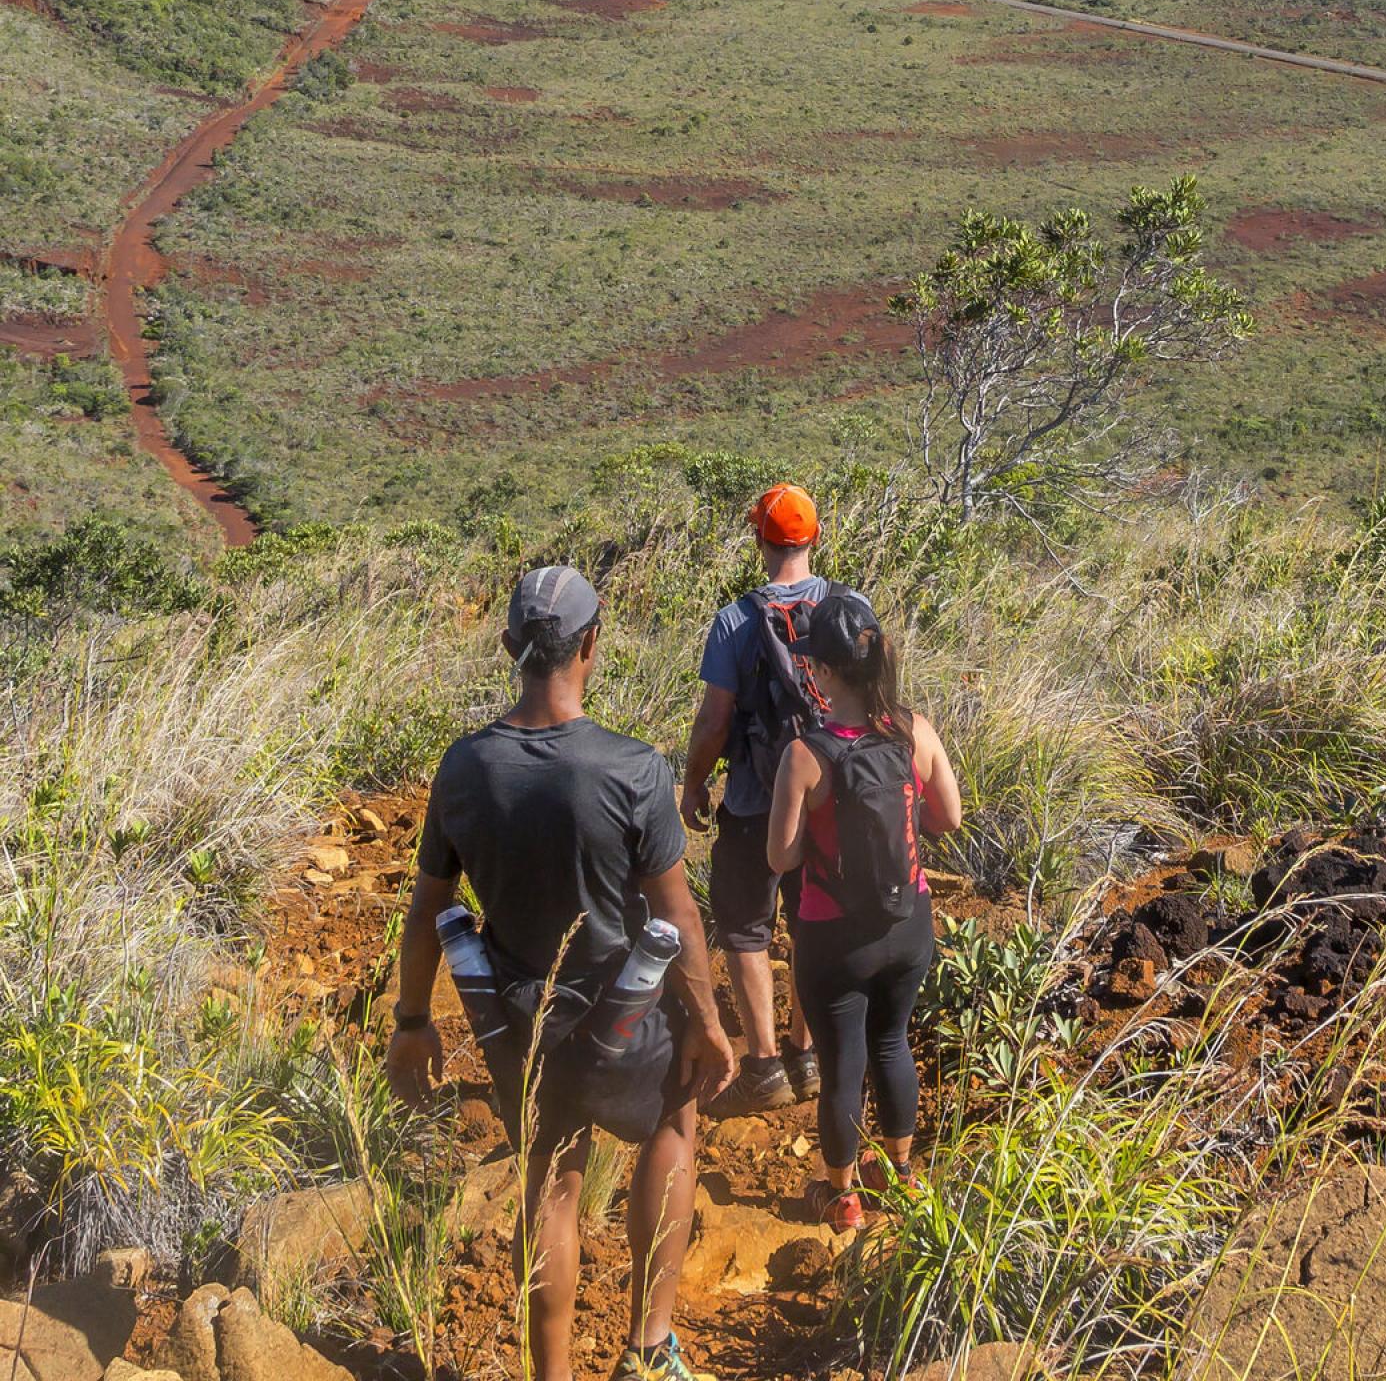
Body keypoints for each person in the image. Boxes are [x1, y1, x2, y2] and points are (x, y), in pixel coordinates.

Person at [388, 564, 736, 1381]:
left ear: (510, 646)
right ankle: (650, 1351)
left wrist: (411, 1022)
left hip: (516, 1018)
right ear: (591, 644)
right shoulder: (632, 769)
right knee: (672, 1126)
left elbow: (426, 907)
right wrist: (710, 1024)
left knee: (550, 1182)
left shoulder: (465, 767)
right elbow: (679, 917)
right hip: (624, 1020)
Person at [766, 590, 962, 1233]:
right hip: (909, 925)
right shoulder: (914, 730)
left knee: (842, 1062)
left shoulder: (805, 756)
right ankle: (901, 1174)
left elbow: (782, 858)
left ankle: (841, 1195)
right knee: (892, 1041)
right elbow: (947, 818)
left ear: (821, 673)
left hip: (833, 938)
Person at [681, 483, 838, 1111]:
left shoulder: (734, 622)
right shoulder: (847, 606)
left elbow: (715, 721)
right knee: (811, 924)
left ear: (759, 541)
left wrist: (693, 781)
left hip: (753, 801)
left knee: (746, 929)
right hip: (828, 796)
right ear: (814, 537)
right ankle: (807, 1053)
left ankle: (765, 1065)